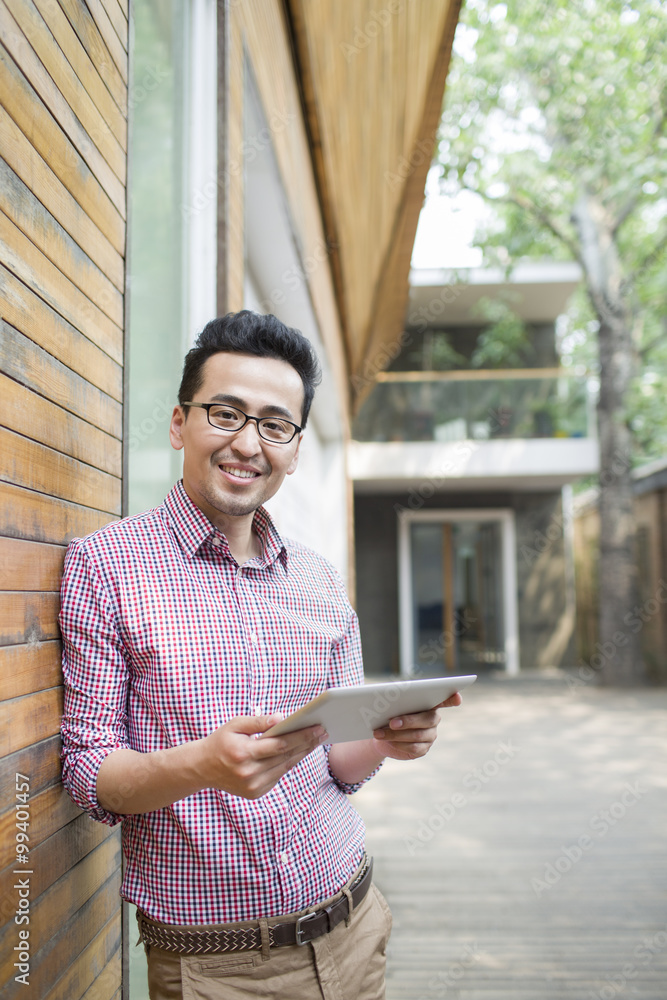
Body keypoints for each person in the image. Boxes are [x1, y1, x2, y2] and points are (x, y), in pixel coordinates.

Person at [60, 310, 462, 1000]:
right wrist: (202, 765)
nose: (248, 443)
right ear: (179, 422)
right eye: (225, 414)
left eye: (275, 425)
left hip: (356, 921)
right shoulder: (106, 566)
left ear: (295, 448)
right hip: (216, 968)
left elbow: (339, 757)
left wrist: (388, 738)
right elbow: (88, 772)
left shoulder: (318, 577)